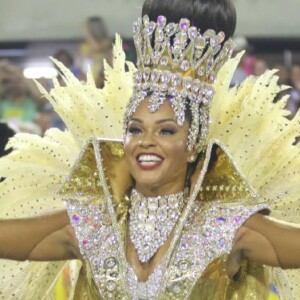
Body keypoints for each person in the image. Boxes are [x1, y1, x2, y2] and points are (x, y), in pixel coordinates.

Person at [0, 0, 300, 299]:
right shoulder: (94, 221)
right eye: (135, 129)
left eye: (166, 130)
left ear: (193, 145)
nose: (146, 141)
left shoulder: (226, 225)